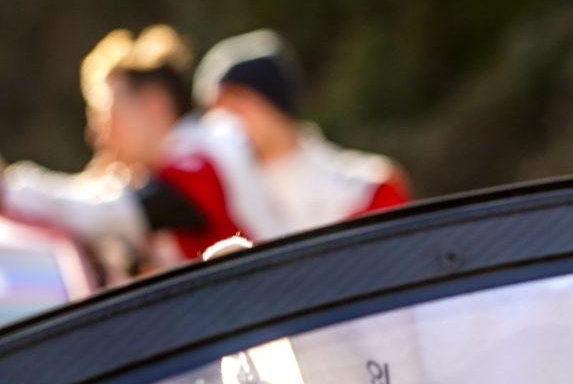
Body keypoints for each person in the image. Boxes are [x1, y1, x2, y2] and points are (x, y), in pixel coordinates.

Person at [0, 25, 280, 275]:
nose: (98, 134)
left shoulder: (202, 159)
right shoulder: (189, 159)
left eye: (107, 115)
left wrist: (10, 188)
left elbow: (109, 213)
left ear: (153, 104)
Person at [194, 29, 412, 236]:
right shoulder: (217, 208)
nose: (225, 122)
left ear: (273, 102)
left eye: (237, 105)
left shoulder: (366, 190)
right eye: (215, 111)